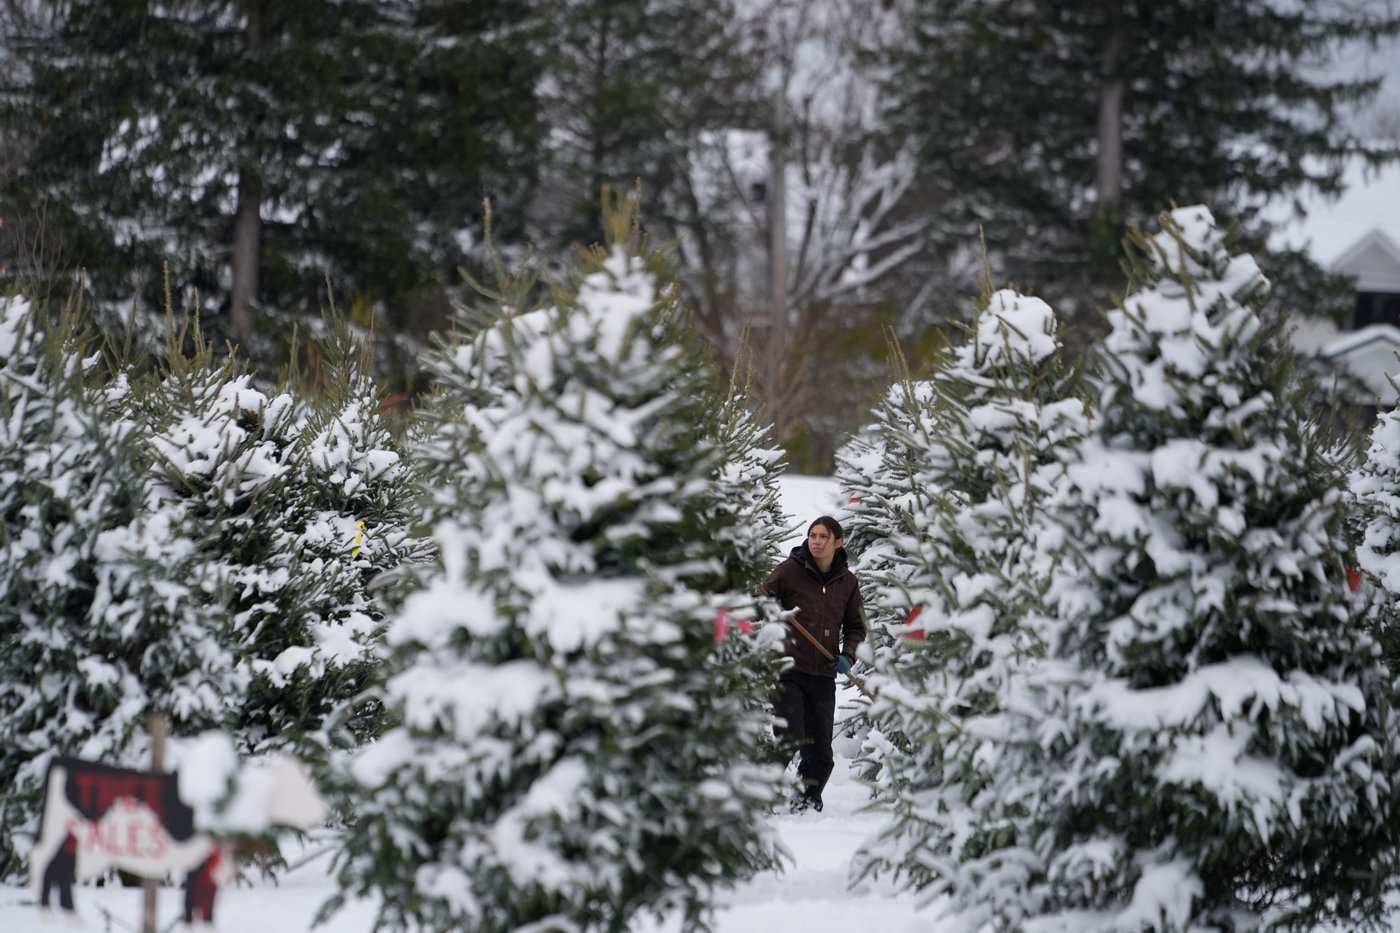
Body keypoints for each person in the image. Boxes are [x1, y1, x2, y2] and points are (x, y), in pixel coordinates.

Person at [760, 515, 866, 813]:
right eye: (812, 536)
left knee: (821, 753)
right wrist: (769, 606)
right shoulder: (790, 571)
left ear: (838, 542)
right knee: (790, 735)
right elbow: (761, 600)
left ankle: (806, 803)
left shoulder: (847, 582)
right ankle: (756, 796)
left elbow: (857, 627)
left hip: (823, 676)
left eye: (823, 537)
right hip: (788, 669)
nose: (816, 542)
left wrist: (848, 655)